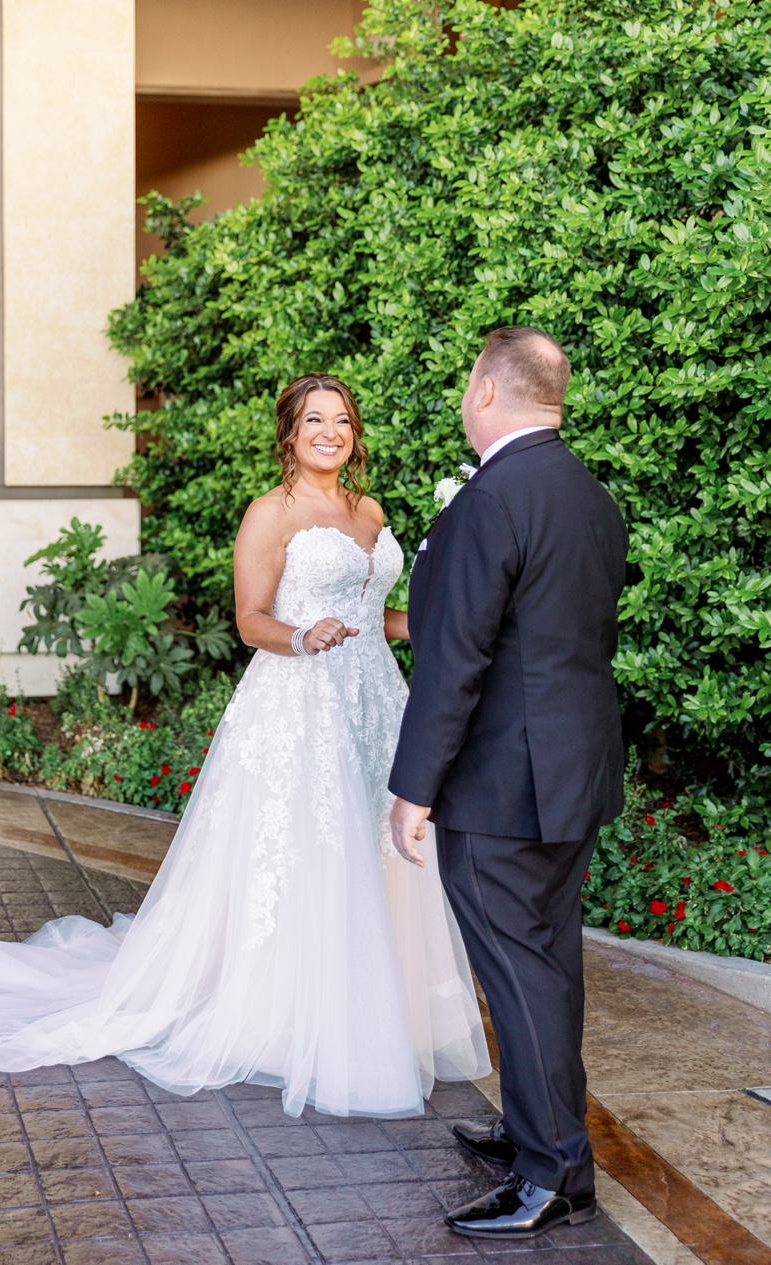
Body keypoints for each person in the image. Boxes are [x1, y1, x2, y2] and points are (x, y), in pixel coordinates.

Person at [0, 374, 490, 1119]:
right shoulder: (271, 512)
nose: (332, 431)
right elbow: (252, 617)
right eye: (315, 420)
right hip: (299, 703)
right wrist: (300, 634)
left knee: (377, 851)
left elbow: (373, 611)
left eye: (343, 420)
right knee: (307, 854)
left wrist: (422, 625)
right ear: (289, 434)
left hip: (374, 701)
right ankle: (288, 1017)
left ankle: (375, 1008)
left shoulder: (370, 510)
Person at [390, 328, 627, 1239]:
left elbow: (456, 661)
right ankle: (537, 1124)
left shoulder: (490, 501)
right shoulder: (591, 495)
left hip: (502, 785)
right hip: (575, 774)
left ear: (489, 390)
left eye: (464, 385)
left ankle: (555, 1171)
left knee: (519, 974)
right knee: (548, 962)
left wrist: (416, 786)